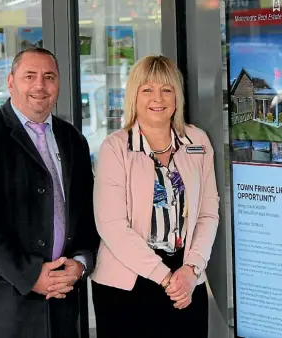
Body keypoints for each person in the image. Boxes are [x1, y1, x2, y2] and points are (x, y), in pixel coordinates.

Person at [0, 47, 99, 338]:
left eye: (49, 77)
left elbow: (88, 211)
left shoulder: (73, 140)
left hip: (60, 304)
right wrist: (30, 275)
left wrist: (81, 263)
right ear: (10, 82)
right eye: (29, 76)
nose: (40, 86)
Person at [90, 55, 220, 337]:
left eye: (166, 89)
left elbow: (208, 213)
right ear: (134, 96)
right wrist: (166, 277)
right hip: (128, 283)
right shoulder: (115, 148)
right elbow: (111, 225)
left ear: (177, 96)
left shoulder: (197, 141)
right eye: (147, 89)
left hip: (186, 280)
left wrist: (191, 270)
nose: (157, 98)